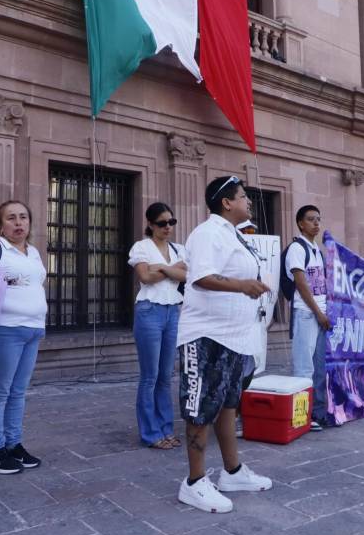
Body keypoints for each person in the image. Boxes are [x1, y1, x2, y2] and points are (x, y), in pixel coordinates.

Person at [176, 176, 273, 513]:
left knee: (228, 404)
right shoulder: (207, 233)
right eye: (243, 196)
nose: (248, 201)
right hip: (206, 336)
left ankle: (231, 473)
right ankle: (194, 482)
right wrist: (243, 285)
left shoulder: (234, 234)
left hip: (235, 337)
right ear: (226, 202)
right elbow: (200, 276)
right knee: (200, 408)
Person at [0, 201, 47, 474]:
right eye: (11, 218)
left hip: (33, 328)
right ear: (0, 224)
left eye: (23, 218)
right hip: (6, 329)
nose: (18, 223)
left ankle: (13, 444)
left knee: (18, 392)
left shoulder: (33, 253)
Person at [128, 203, 188, 450]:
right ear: (151, 225)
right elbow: (145, 277)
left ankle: (166, 428)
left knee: (166, 375)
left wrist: (161, 267)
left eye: (171, 222)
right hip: (149, 310)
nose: (167, 228)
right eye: (162, 223)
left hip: (173, 310)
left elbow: (186, 276)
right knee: (150, 376)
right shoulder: (141, 247)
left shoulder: (179, 248)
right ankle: (151, 433)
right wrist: (172, 270)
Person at [286, 205, 333, 430]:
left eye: (318, 219)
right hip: (306, 314)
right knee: (304, 369)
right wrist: (318, 312)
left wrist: (325, 312)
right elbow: (302, 285)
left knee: (320, 367)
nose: (316, 223)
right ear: (300, 223)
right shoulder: (297, 248)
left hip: (320, 314)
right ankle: (300, 417)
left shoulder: (317, 250)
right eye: (311, 220)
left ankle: (318, 412)